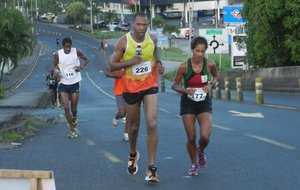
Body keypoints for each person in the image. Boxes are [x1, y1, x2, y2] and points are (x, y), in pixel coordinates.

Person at [109, 12, 165, 183]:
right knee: (133, 128)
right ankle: (133, 153)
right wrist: (130, 62)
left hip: (150, 85)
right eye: (139, 25)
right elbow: (111, 65)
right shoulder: (124, 42)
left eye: (145, 25)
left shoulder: (152, 39)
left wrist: (160, 64)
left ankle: (152, 168)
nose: (142, 28)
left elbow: (155, 54)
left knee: (152, 122)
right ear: (133, 25)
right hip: (130, 88)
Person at [171, 36, 219, 176]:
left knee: (205, 136)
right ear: (192, 50)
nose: (200, 54)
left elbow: (216, 76)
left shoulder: (209, 64)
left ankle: (201, 151)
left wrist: (210, 84)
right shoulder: (184, 66)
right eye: (197, 51)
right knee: (191, 137)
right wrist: (187, 90)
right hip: (188, 102)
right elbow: (174, 85)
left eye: (202, 51)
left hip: (204, 102)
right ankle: (194, 163)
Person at [53, 37, 89, 138]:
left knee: (73, 108)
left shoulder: (76, 51)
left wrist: (80, 67)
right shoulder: (57, 54)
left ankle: (74, 116)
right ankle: (72, 130)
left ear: (71, 45)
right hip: (64, 83)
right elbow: (54, 66)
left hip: (75, 82)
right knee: (65, 107)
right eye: (66, 47)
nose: (68, 49)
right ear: (63, 46)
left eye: (69, 47)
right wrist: (56, 72)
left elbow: (86, 60)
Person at [105, 56, 129, 142]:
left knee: (130, 113)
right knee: (122, 112)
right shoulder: (114, 57)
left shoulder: (133, 55)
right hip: (120, 90)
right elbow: (107, 73)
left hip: (132, 89)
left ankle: (126, 134)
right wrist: (118, 75)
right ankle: (117, 117)